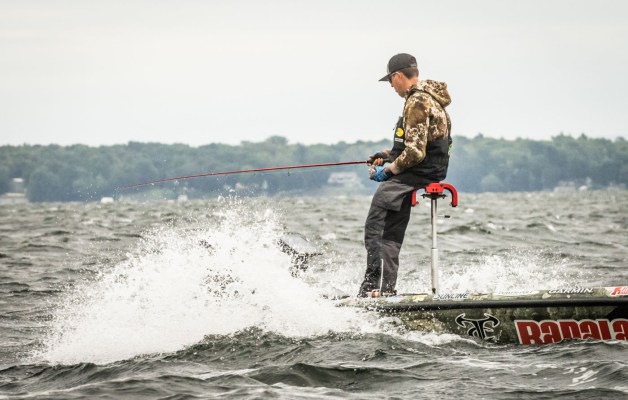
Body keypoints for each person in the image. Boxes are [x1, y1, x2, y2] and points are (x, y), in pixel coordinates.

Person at [358, 53, 452, 297]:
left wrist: (388, 171)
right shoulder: (430, 97)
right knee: (391, 228)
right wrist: (386, 155)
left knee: (376, 224)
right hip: (427, 170)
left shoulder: (417, 101)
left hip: (418, 171)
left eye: (390, 80)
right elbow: (417, 145)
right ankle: (385, 290)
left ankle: (372, 288)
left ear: (398, 75)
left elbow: (415, 153)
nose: (391, 86)